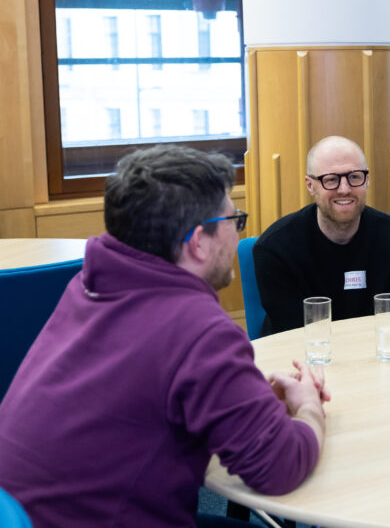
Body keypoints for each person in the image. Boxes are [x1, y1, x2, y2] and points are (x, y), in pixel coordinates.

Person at [0, 146, 328, 527]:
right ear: (197, 242)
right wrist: (309, 409)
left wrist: (243, 397)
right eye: (232, 220)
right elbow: (279, 466)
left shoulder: (88, 288)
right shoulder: (199, 331)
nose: (236, 233)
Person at [255, 136, 390, 334]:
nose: (344, 189)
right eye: (330, 179)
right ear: (310, 185)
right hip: (302, 359)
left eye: (355, 177)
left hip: (375, 356)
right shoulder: (275, 248)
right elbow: (292, 336)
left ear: (367, 180)